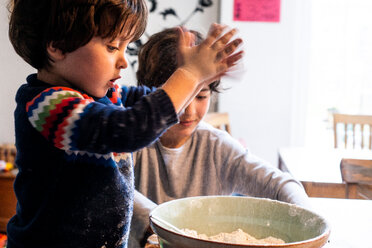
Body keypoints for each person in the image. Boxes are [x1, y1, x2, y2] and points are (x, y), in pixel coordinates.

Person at [6, 0, 244, 247]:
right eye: (112, 47)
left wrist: (197, 78)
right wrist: (190, 74)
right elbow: (132, 128)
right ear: (56, 44)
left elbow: (153, 101)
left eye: (125, 46)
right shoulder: (48, 107)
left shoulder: (104, 95)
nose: (123, 61)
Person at [129, 28, 311, 247]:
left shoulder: (217, 147)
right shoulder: (131, 140)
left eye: (202, 96)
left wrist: (308, 222)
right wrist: (163, 226)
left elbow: (280, 184)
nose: (189, 111)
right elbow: (118, 189)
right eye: (179, 98)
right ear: (148, 94)